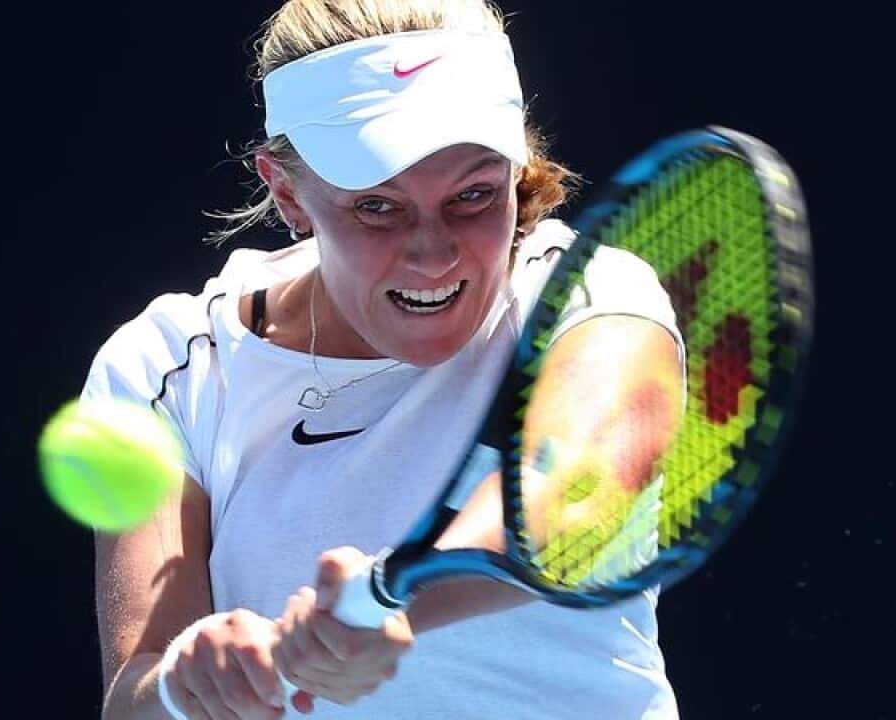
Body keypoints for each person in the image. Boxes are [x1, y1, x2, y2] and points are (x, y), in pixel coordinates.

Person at [83, 1, 686, 717]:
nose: (433, 252)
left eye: (474, 194)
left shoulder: (593, 296)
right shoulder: (165, 369)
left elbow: (575, 489)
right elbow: (133, 700)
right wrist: (187, 684)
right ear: (287, 192)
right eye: (377, 206)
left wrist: (393, 606)